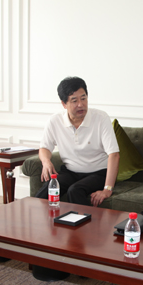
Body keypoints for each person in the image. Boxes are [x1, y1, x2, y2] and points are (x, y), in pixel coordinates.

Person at [35, 76, 120, 206]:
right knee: (48, 189)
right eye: (74, 100)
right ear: (64, 104)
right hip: (70, 171)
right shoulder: (55, 121)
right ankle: (35, 218)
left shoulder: (101, 118)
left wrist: (107, 189)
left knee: (75, 190)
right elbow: (44, 148)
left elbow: (114, 154)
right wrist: (46, 161)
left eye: (83, 98)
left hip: (98, 173)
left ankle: (86, 220)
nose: (80, 104)